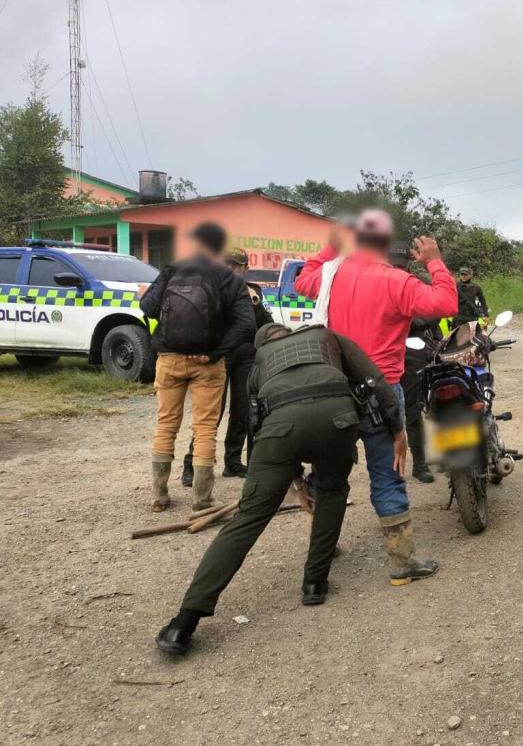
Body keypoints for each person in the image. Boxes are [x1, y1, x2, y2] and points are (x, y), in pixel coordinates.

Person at [155, 322, 405, 657]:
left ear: (264, 344)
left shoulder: (259, 362)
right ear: (290, 333)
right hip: (339, 419)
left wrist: (291, 481)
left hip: (280, 432)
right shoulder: (328, 337)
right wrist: (397, 428)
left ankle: (183, 623)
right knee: (331, 491)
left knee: (248, 519)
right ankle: (314, 584)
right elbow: (374, 380)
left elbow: (254, 424)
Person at [295, 210, 456, 584]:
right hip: (382, 393)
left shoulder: (330, 277)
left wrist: (329, 248)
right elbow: (445, 304)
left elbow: (302, 280)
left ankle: (324, 545)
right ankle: (402, 564)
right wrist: (434, 261)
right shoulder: (396, 281)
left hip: (334, 391)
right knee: (387, 475)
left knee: (328, 472)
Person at [140, 222, 255, 512]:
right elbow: (246, 324)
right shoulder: (230, 279)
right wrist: (216, 352)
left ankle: (159, 496)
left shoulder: (173, 269)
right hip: (207, 364)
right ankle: (202, 500)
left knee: (166, 425)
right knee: (205, 429)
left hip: (169, 358)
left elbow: (147, 307)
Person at [180, 247, 273, 484]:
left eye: (235, 266)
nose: (229, 270)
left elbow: (263, 326)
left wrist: (255, 303)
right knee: (212, 412)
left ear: (245, 268)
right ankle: (192, 464)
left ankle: (233, 462)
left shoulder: (255, 291)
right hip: (219, 356)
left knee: (243, 411)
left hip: (246, 356)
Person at [390, 241, 439, 483]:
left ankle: (419, 463)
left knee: (412, 411)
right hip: (383, 353)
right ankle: (391, 469)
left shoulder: (415, 284)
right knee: (383, 414)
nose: (398, 268)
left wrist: (410, 323)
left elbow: (432, 313)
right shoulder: (379, 283)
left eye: (401, 265)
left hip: (411, 352)